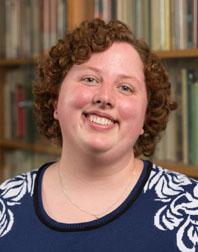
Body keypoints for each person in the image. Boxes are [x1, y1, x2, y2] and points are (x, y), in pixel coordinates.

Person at [0, 18, 197, 252]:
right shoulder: (6, 205)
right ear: (55, 101)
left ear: (146, 116)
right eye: (90, 79)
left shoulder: (191, 209)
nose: (105, 97)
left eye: (125, 87)